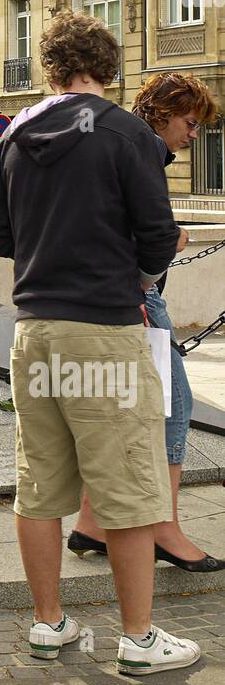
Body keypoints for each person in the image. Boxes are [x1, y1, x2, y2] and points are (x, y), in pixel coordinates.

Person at [0, 10, 201, 676]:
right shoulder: (126, 133)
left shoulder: (16, 132)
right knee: (131, 486)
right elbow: (159, 236)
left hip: (33, 331)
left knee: (40, 486)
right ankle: (138, 639)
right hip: (104, 329)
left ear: (48, 67)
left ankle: (49, 625)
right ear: (110, 66)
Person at [70, 71, 224, 573]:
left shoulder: (116, 147)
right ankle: (164, 529)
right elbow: (135, 233)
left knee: (122, 409)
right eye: (190, 121)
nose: (194, 133)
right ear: (161, 112)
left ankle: (92, 525)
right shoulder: (142, 153)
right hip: (137, 298)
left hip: (98, 299)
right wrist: (157, 254)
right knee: (174, 409)